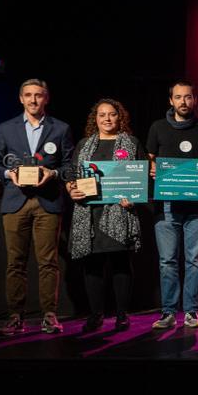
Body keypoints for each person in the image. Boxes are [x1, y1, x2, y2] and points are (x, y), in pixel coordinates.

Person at [0, 79, 74, 335]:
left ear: (46, 98)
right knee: (16, 262)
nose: (33, 100)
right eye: (28, 95)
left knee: (48, 262)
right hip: (15, 201)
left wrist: (54, 174)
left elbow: (68, 165)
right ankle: (15, 316)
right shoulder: (6, 128)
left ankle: (49, 315)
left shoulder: (61, 128)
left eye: (38, 95)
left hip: (48, 201)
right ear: (20, 98)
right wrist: (6, 174)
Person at [66, 98, 144, 333]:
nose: (107, 119)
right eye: (102, 115)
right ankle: (96, 314)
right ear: (95, 119)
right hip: (90, 213)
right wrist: (72, 189)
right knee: (93, 266)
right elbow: (72, 173)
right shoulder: (84, 144)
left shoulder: (131, 143)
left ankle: (122, 315)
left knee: (121, 264)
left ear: (120, 117)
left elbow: (141, 176)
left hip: (121, 212)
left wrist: (134, 195)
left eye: (112, 114)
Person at [145, 80, 198, 330]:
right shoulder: (158, 128)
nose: (183, 102)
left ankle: (192, 312)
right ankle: (168, 312)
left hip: (197, 206)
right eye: (178, 97)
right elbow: (150, 160)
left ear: (195, 100)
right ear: (170, 101)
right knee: (167, 261)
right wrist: (152, 170)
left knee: (194, 260)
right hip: (166, 205)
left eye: (188, 97)